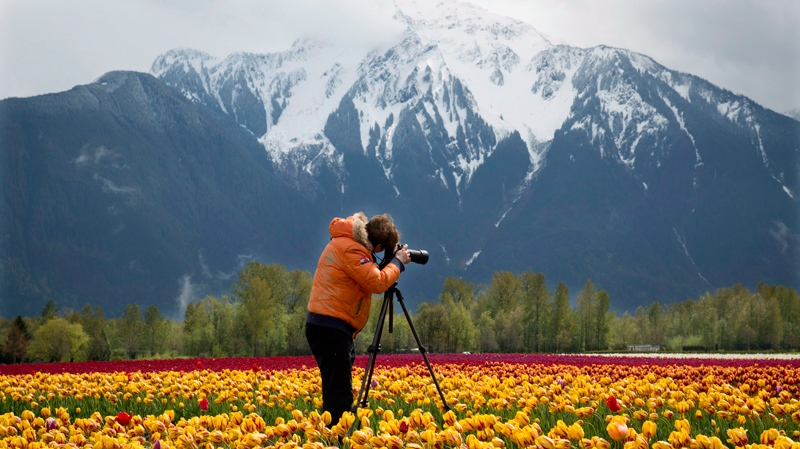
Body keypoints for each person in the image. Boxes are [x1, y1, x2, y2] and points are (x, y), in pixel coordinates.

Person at [306, 211, 410, 426]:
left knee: (336, 390)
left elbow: (367, 276)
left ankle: (334, 433)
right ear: (379, 247)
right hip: (331, 327)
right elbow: (377, 283)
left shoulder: (348, 241)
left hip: (328, 325)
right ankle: (337, 438)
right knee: (339, 397)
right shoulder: (353, 248)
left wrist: (386, 263)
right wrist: (397, 263)